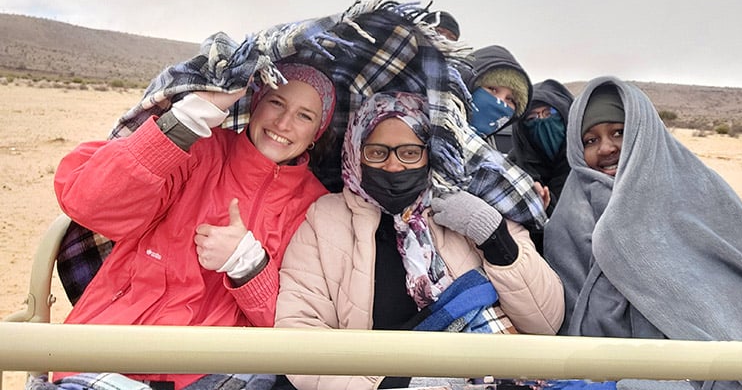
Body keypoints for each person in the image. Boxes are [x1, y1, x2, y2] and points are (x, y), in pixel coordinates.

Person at [48, 62, 336, 390]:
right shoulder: (196, 148)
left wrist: (249, 265)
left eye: (305, 116)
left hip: (220, 366)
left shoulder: (317, 207)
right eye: (276, 102)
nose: (284, 123)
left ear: (317, 133)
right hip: (116, 344)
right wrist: (188, 119)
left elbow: (296, 324)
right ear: (255, 104)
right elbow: (89, 203)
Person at [544, 77, 742, 389]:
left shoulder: (698, 187)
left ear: (641, 132)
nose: (606, 148)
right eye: (590, 140)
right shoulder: (568, 218)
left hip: (712, 359)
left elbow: (740, 278)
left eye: (619, 132)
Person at [275, 91, 564, 390]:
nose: (393, 166)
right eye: (377, 152)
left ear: (430, 153)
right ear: (354, 151)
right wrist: (387, 385)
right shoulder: (324, 221)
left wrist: (495, 239)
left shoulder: (477, 206)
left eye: (410, 152)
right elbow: (300, 333)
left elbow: (545, 321)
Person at [507, 79, 574, 251]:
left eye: (549, 113)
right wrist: (534, 212)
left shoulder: (590, 162)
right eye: (532, 118)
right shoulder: (512, 171)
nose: (542, 122)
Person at [462, 45, 532, 150]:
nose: (499, 102)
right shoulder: (431, 136)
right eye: (492, 89)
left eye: (510, 99)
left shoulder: (491, 159)